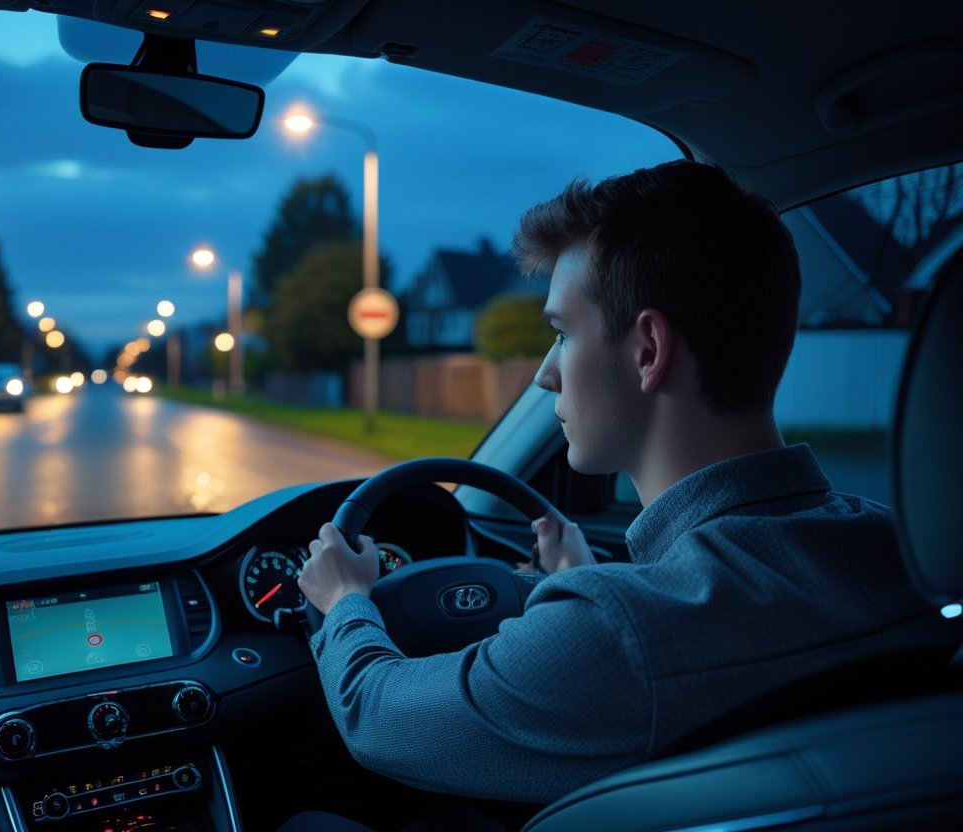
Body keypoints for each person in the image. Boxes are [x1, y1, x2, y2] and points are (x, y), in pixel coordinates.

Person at [281, 160, 958, 831]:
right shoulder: (902, 554)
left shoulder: (612, 631)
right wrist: (584, 580)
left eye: (561, 333)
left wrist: (345, 601)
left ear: (647, 350)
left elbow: (380, 719)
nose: (547, 374)